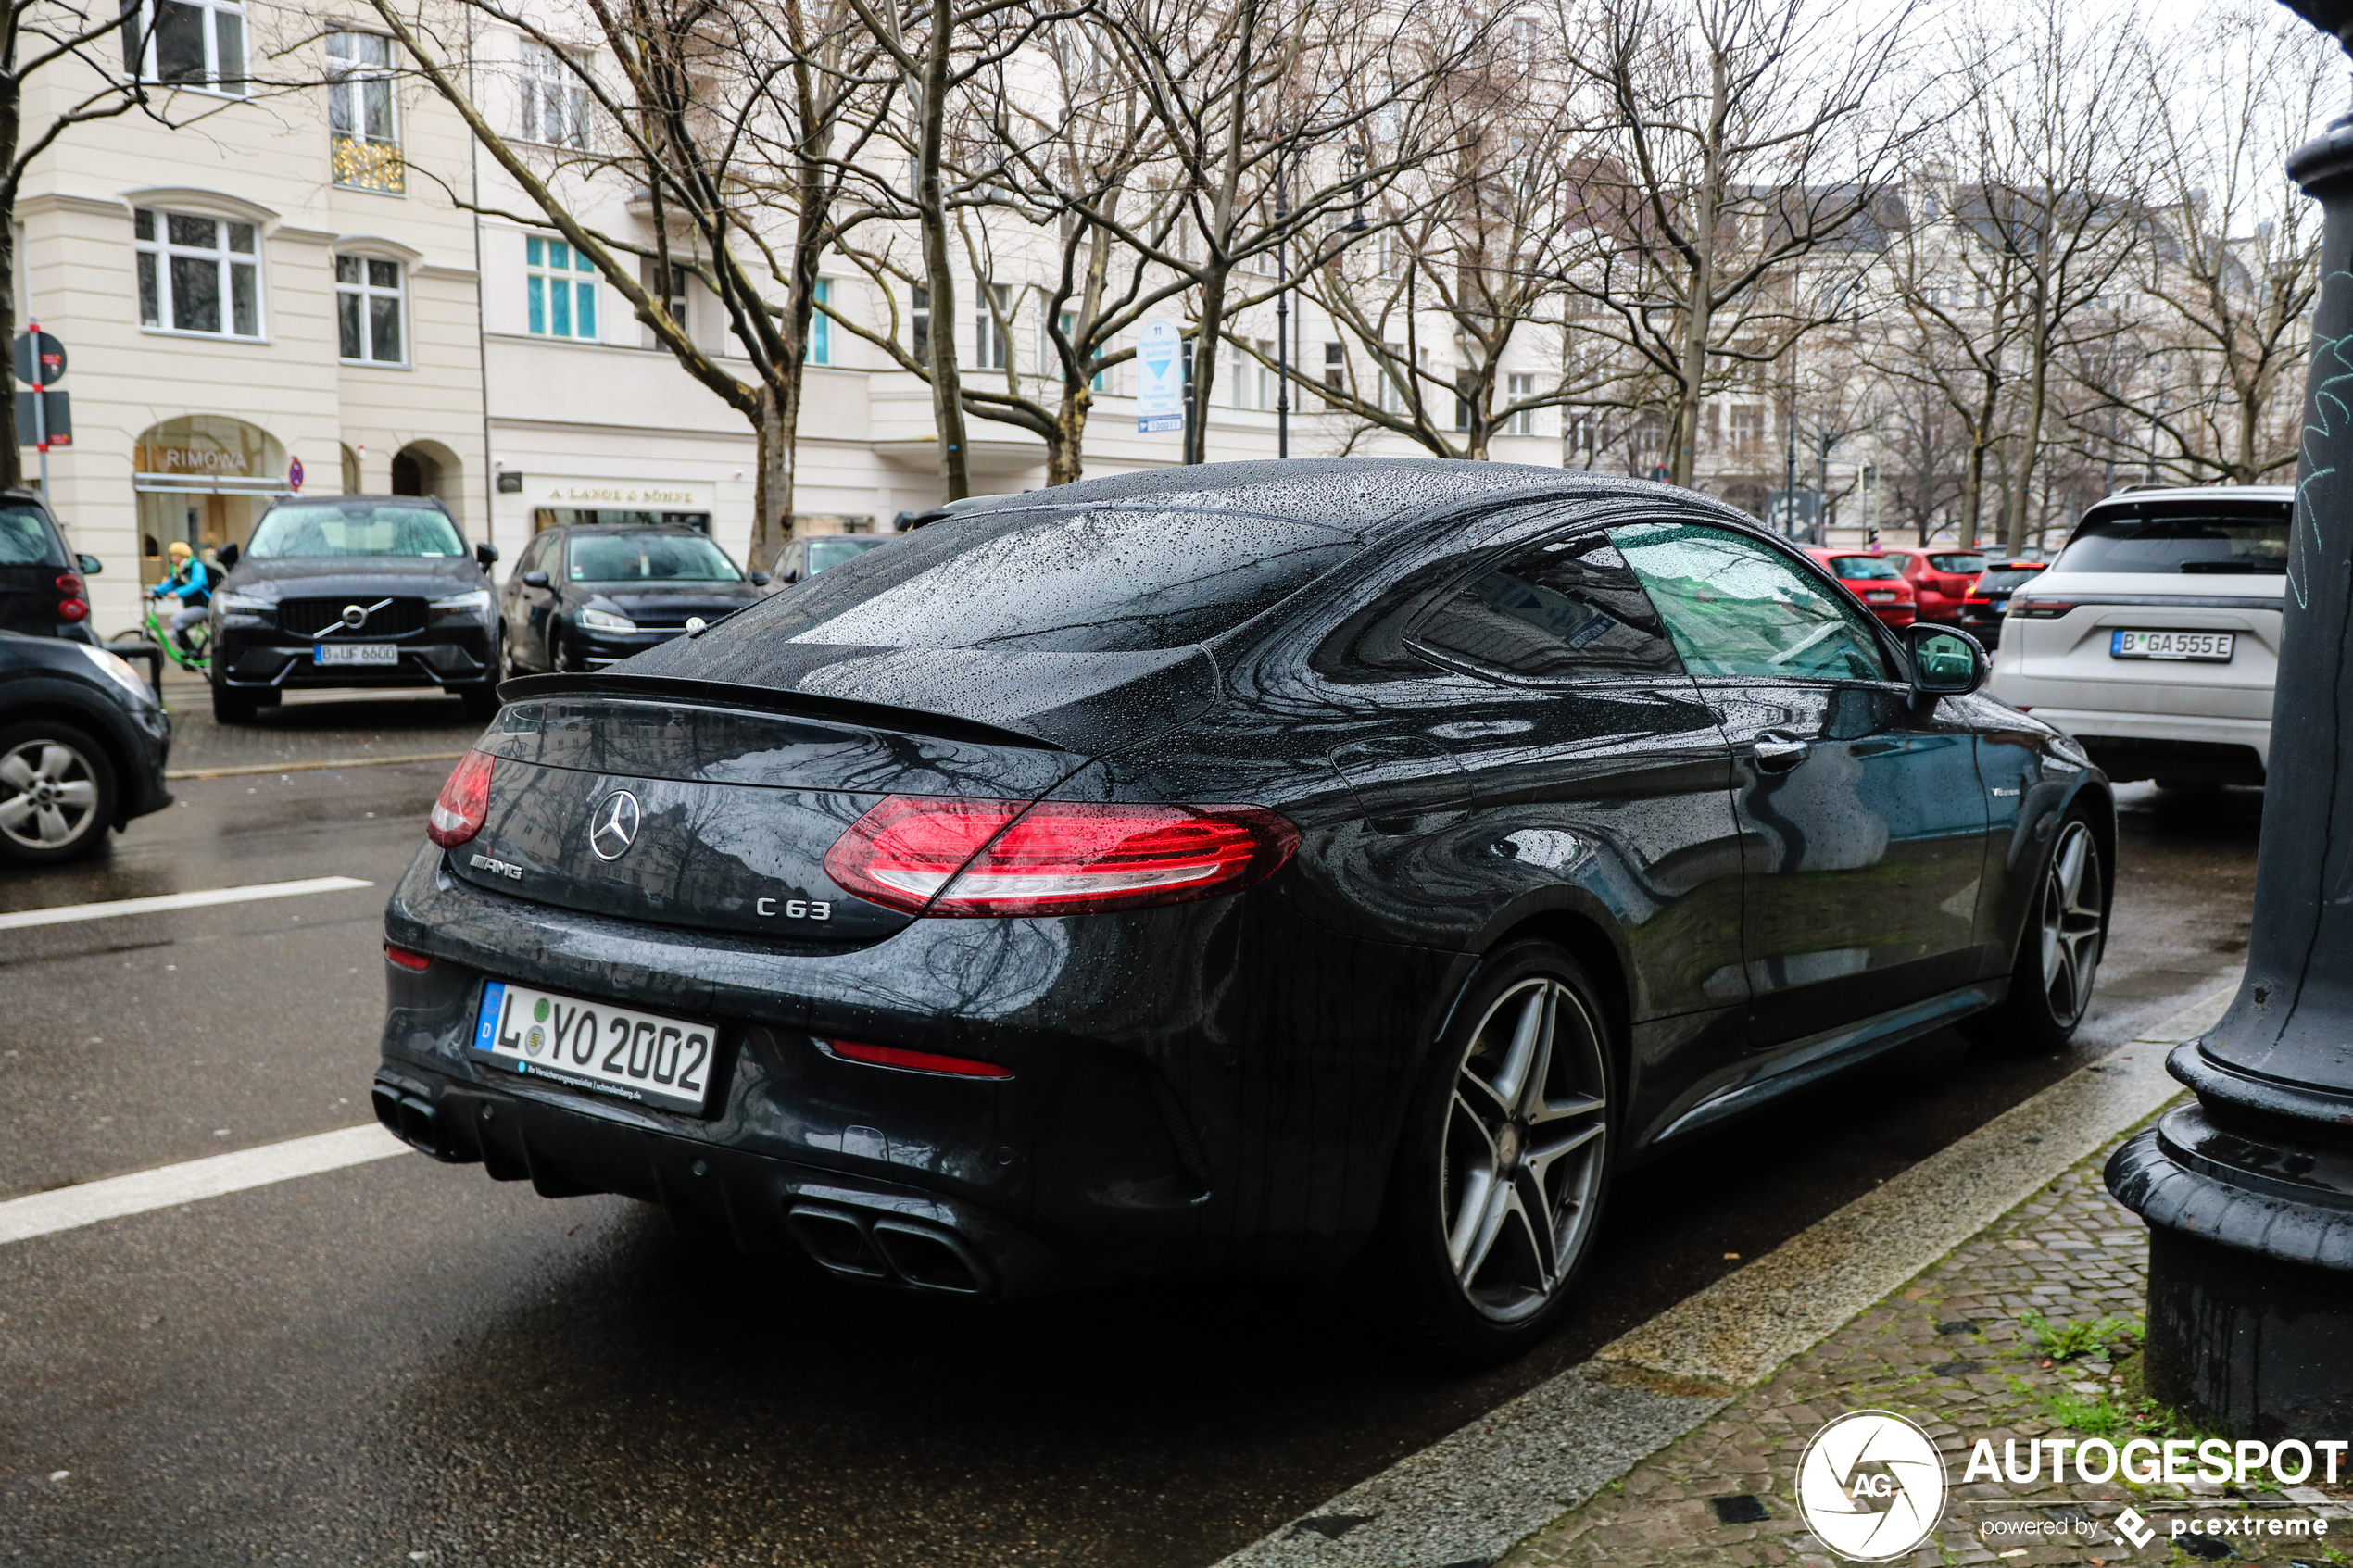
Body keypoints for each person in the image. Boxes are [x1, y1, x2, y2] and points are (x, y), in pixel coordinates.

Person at [150, 540, 213, 653]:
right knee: (174, 634)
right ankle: (191, 659)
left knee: (175, 619)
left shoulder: (196, 566)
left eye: (175, 555)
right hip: (190, 607)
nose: (172, 558)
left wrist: (178, 593)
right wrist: (153, 591)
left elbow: (196, 584)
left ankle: (192, 651)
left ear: (183, 556)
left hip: (203, 606)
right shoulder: (178, 570)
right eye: (171, 555)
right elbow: (169, 585)